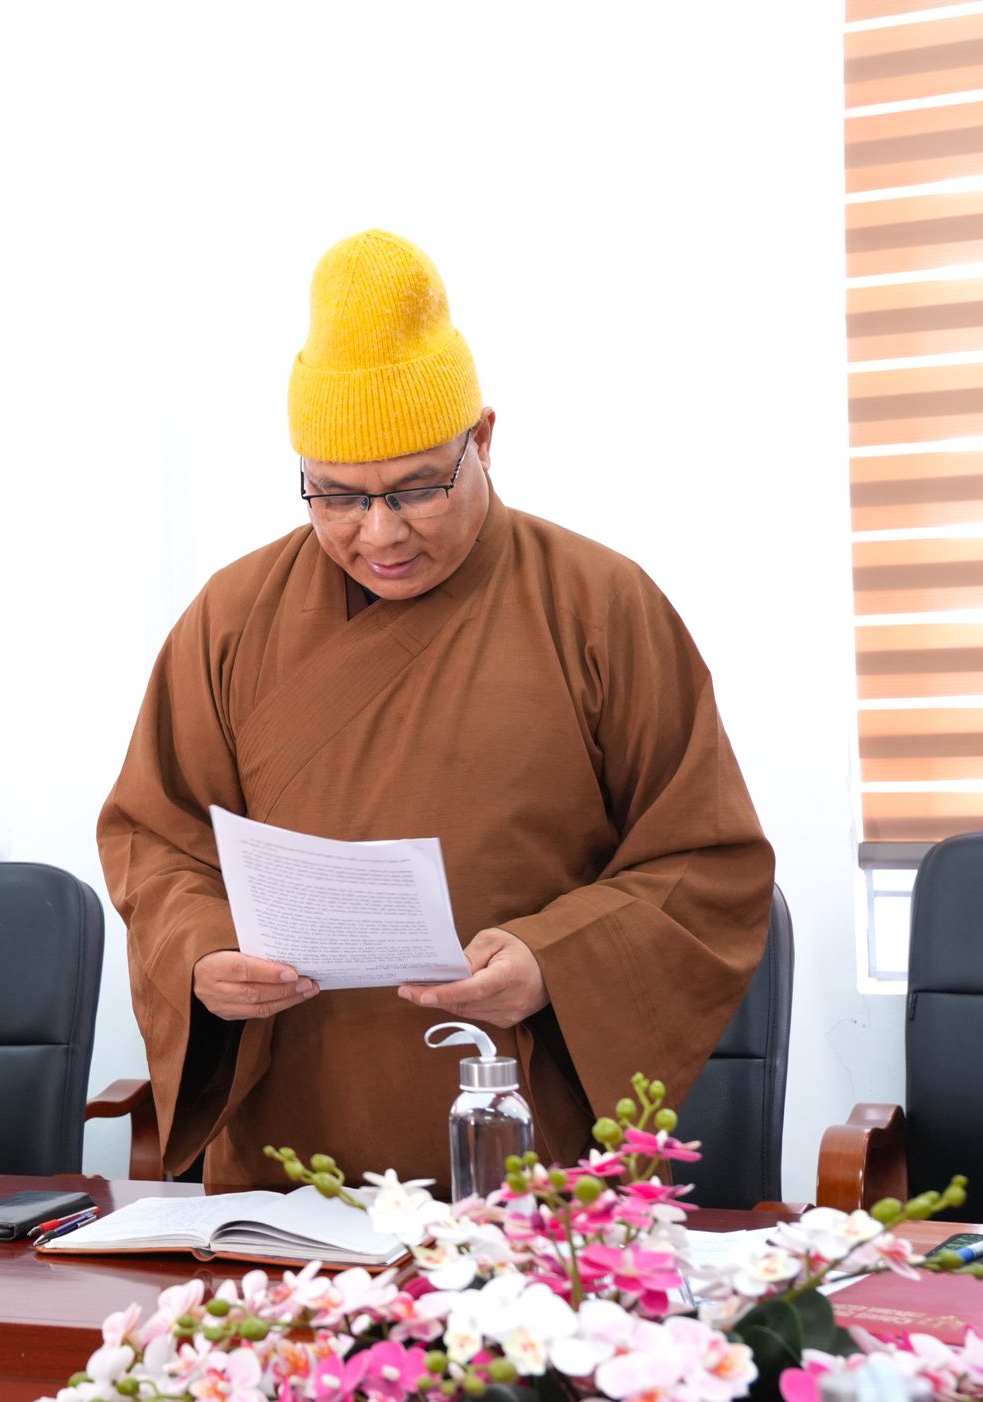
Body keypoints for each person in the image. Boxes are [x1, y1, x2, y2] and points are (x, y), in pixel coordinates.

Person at [97, 229, 773, 1189]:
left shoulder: (598, 605)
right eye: (336, 497)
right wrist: (200, 952)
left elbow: (707, 860)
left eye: (416, 489)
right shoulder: (232, 618)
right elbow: (154, 838)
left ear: (483, 439)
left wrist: (552, 959)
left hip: (523, 1136)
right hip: (290, 1150)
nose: (379, 534)